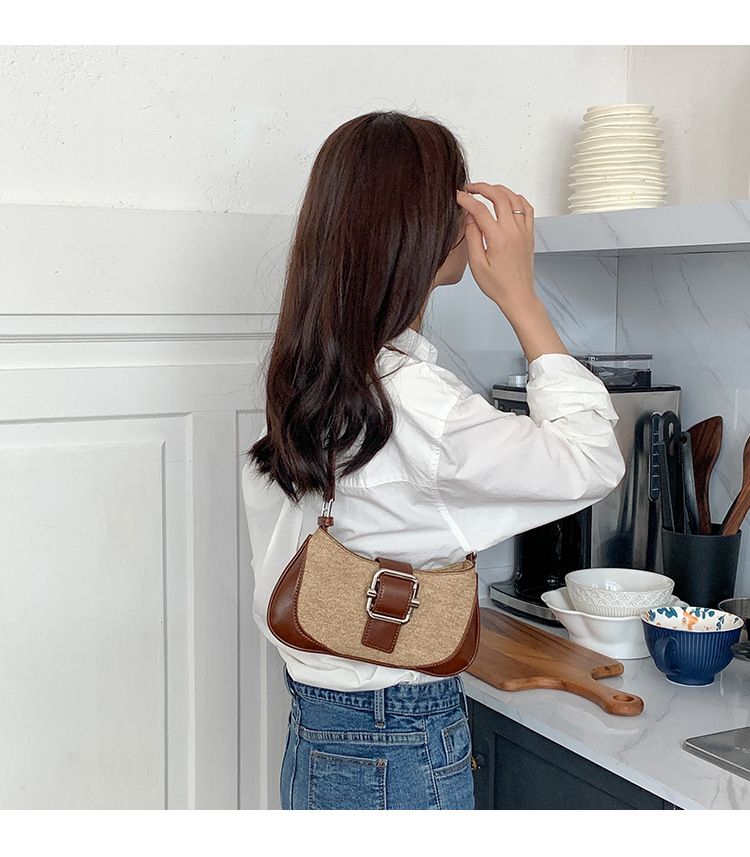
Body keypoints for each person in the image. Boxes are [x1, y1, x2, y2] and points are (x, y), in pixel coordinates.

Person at [241, 110, 626, 810]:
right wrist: (521, 296)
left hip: (319, 735)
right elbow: (593, 458)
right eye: (456, 196)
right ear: (421, 226)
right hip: (397, 741)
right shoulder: (419, 402)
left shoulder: (314, 372)